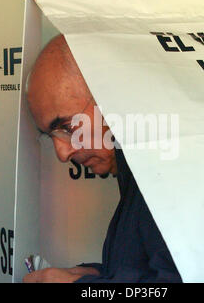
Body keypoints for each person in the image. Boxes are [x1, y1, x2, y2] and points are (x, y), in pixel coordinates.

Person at [23, 35, 182, 283]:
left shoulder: (171, 173)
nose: (62, 154)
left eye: (67, 126)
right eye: (50, 135)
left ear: (109, 97)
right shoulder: (145, 168)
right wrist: (100, 274)